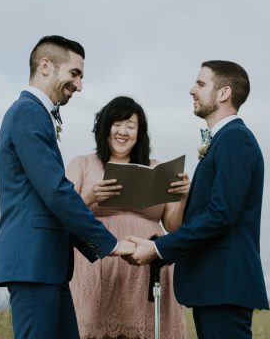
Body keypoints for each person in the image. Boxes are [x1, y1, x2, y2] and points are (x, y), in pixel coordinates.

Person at [0, 35, 135, 339]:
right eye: (74, 73)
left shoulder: (36, 114)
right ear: (46, 66)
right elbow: (56, 192)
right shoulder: (27, 112)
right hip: (32, 261)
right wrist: (109, 243)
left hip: (48, 264)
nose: (79, 85)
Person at [126, 61, 269, 338]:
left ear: (224, 93)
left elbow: (221, 215)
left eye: (201, 84)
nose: (192, 90)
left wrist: (159, 250)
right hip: (214, 286)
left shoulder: (235, 139)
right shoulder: (222, 141)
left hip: (224, 285)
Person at [66, 96, 190, 339]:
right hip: (96, 268)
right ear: (105, 127)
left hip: (147, 269)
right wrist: (89, 197)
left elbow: (173, 226)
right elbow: (63, 213)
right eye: (117, 124)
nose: (123, 131)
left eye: (131, 126)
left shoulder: (156, 167)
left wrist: (184, 196)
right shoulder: (82, 164)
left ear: (139, 133)